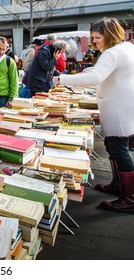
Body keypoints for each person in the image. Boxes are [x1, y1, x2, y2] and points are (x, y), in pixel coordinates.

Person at [53, 17, 134, 212]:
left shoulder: (111, 53)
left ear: (109, 35)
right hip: (123, 104)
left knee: (119, 150)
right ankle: (118, 185)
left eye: (97, 37)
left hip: (118, 107)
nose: (94, 41)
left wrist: (61, 79)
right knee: (113, 147)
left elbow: (96, 77)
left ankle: (130, 197)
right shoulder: (127, 48)